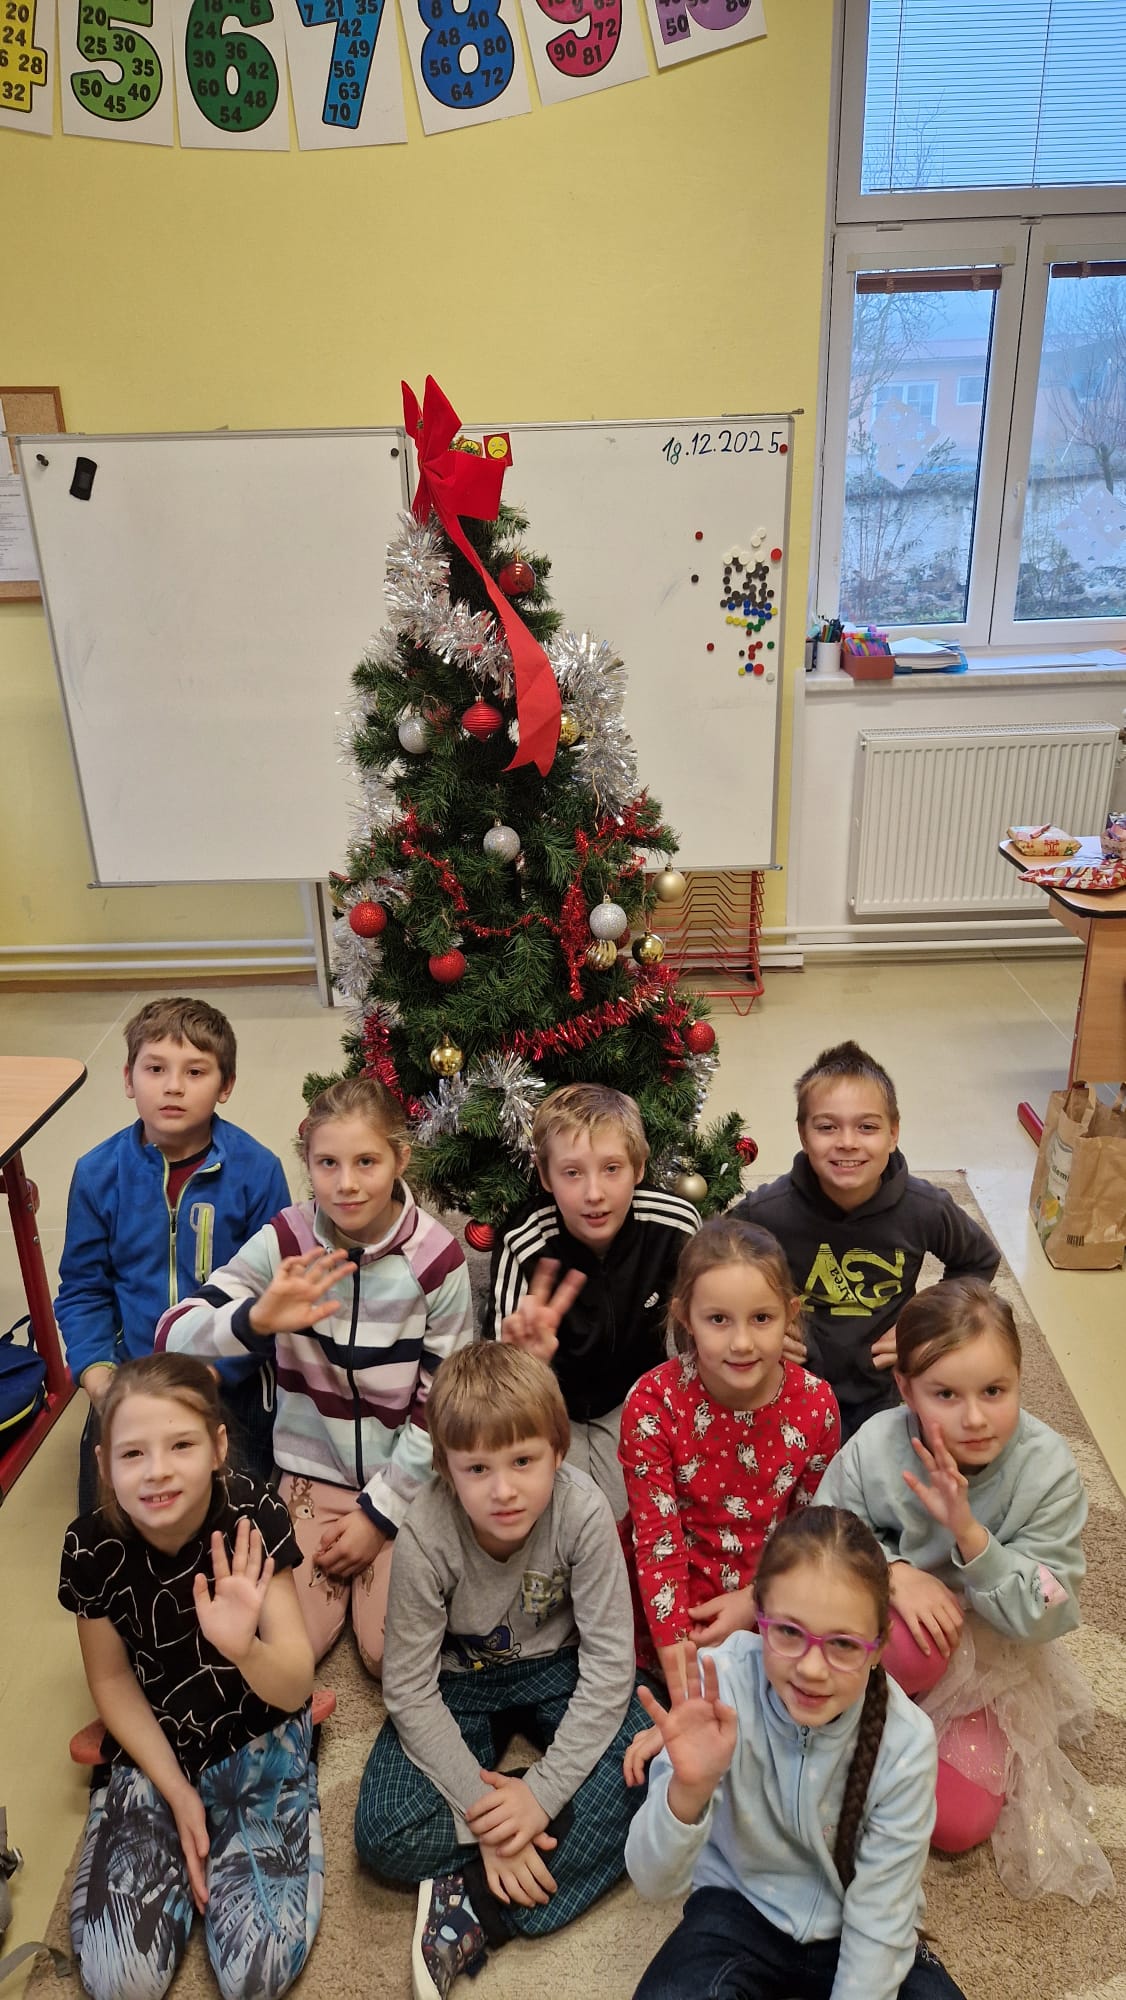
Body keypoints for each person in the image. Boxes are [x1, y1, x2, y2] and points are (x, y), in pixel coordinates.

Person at [354, 1343, 649, 2000]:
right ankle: (530, 1821)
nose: (505, 1489)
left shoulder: (584, 1510)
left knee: (657, 1773)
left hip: (560, 1668)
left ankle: (472, 1906)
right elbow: (409, 1689)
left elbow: (609, 1669)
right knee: (382, 1832)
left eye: (523, 1461)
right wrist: (491, 1811)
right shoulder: (426, 1531)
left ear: (558, 1451)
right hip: (461, 1682)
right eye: (478, 1468)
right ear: (445, 1468)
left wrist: (539, 1795)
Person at [156, 1076, 474, 1676]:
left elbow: (444, 1404)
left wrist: (379, 1515)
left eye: (366, 1162)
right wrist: (254, 1319)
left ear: (401, 1159)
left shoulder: (438, 1259)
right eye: (327, 1163)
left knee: (389, 1655)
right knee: (284, 1648)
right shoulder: (286, 1239)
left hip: (406, 1477)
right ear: (307, 1162)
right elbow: (172, 1333)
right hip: (308, 1477)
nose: (346, 1183)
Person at [816, 1277, 1111, 1903]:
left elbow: (1049, 1608)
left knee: (957, 1823)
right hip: (899, 1634)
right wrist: (894, 1572)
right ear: (905, 1389)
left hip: (994, 1648)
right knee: (908, 1650)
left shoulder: (1048, 1470)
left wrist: (972, 1537)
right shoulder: (878, 1445)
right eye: (945, 1394)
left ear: (1020, 1379)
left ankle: (906, 1729)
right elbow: (826, 1530)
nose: (974, 1418)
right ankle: (866, 1719)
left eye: (994, 1391)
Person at [59, 1353, 322, 2000]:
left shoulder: (254, 1514)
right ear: (104, 1465)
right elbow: (112, 1681)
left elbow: (295, 1686)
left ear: (218, 1447)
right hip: (155, 1744)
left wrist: (245, 1650)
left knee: (256, 1973)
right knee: (119, 1979)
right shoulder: (89, 1547)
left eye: (181, 1444)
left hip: (256, 1729)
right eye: (133, 1454)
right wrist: (177, 1793)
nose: (157, 1471)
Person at [625, 1506, 966, 2000]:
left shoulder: (906, 1743)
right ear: (758, 1619)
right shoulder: (718, 1688)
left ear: (877, 1649)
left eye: (843, 1644)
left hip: (860, 1925)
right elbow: (651, 1880)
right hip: (737, 1908)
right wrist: (686, 1792)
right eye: (788, 1632)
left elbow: (881, 1922)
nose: (811, 1668)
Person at [56, 996, 291, 1509]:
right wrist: (101, 1380)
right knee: (105, 1520)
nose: (173, 1086)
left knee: (242, 1515)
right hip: (130, 1376)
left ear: (226, 1085)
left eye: (196, 1071)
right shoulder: (97, 1173)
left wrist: (213, 1375)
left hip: (227, 1378)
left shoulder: (258, 1171)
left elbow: (273, 1299)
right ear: (128, 1078)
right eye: (155, 1068)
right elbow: (83, 1290)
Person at [731, 1040, 999, 1439]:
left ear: (893, 1133)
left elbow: (978, 1260)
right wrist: (757, 1326)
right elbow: (715, 1264)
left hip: (888, 1386)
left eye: (867, 1127)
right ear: (803, 1134)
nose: (847, 1142)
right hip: (790, 1382)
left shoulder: (925, 1207)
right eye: (827, 1127)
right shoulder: (766, 1210)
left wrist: (930, 1325)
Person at [620, 1216, 839, 1682]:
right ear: (685, 1318)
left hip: (769, 1601)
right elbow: (657, 1541)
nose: (741, 1343)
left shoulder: (817, 1405)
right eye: (718, 1319)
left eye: (762, 1318)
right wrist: (679, 1667)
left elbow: (809, 1532)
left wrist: (756, 1601)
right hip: (665, 1616)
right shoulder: (652, 1403)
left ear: (790, 1314)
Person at [482, 1083, 700, 1516]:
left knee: (636, 1513)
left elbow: (707, 1322)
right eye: (572, 1173)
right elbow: (493, 1383)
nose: (594, 1193)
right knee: (554, 1508)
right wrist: (520, 1362)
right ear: (546, 1177)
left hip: (635, 1399)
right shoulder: (523, 1241)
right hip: (549, 1402)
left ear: (639, 1167)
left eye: (612, 1168)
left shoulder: (675, 1225)